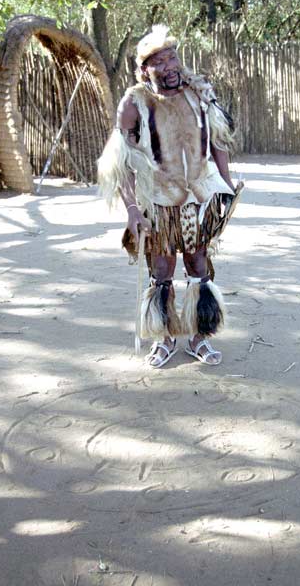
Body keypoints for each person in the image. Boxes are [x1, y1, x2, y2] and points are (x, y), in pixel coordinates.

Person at [98, 25, 241, 368]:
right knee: (161, 270)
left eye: (172, 57)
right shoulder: (133, 103)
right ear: (144, 69)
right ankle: (163, 337)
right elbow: (121, 164)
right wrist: (132, 211)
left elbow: (218, 141)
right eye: (159, 61)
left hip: (199, 200)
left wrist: (226, 185)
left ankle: (199, 336)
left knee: (199, 265)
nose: (169, 66)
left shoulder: (200, 93)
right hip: (158, 202)